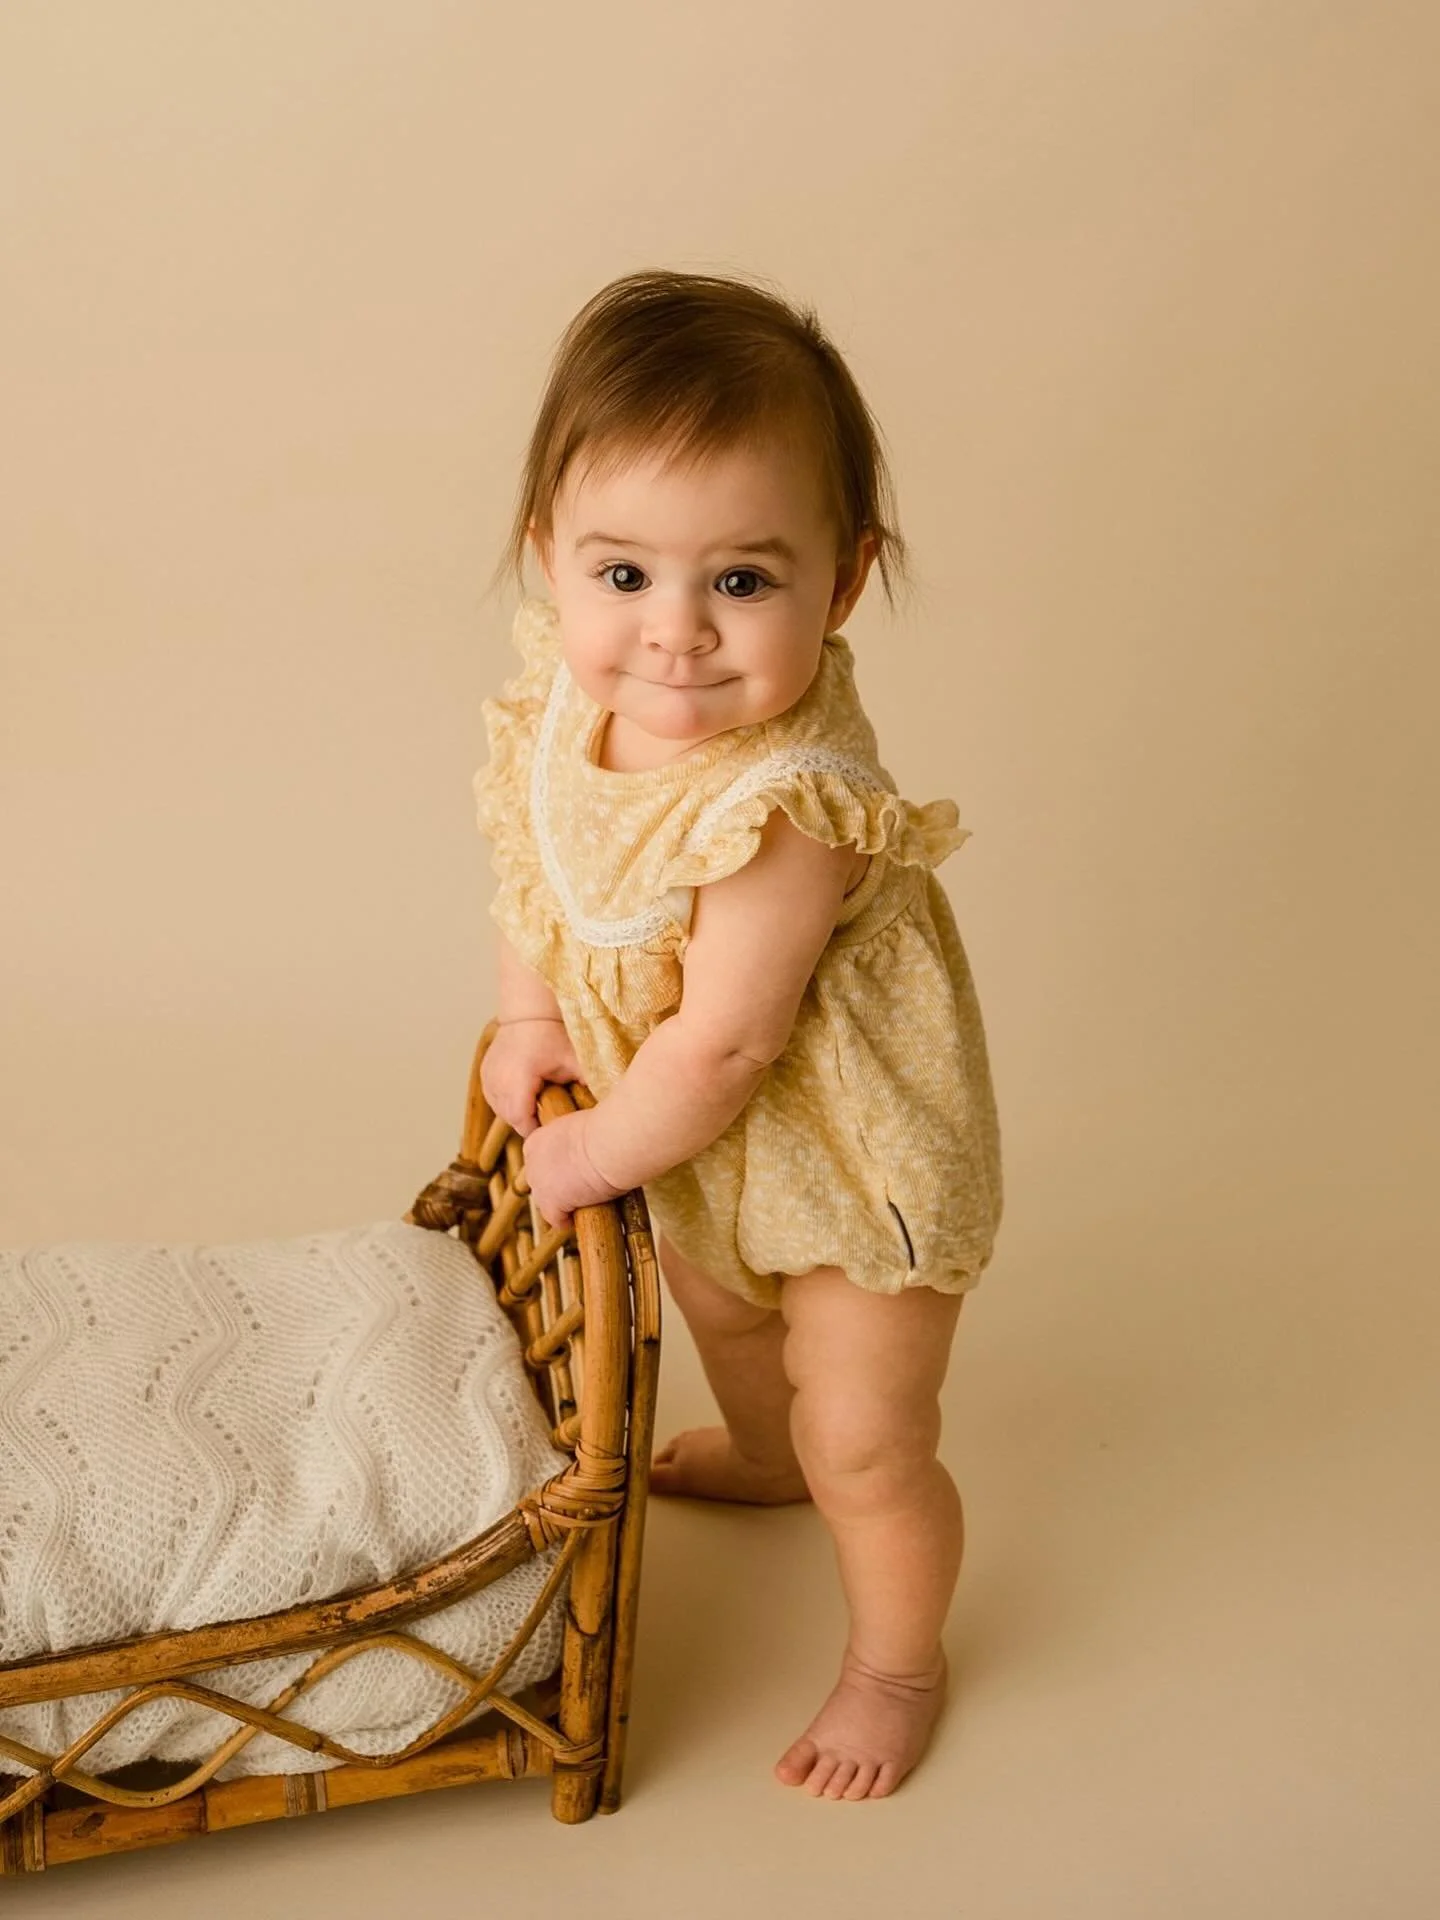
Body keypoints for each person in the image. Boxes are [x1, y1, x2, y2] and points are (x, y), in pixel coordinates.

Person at [473, 269, 1003, 1802]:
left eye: (746, 582)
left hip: (846, 1153)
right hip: (700, 1138)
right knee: (728, 1324)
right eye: (623, 575)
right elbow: (536, 863)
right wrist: (528, 1011)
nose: (677, 636)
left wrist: (580, 1147)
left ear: (843, 584)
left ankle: (898, 1656)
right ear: (548, 562)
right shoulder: (567, 715)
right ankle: (763, 1458)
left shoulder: (783, 804)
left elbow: (720, 1050)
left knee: (865, 1428)